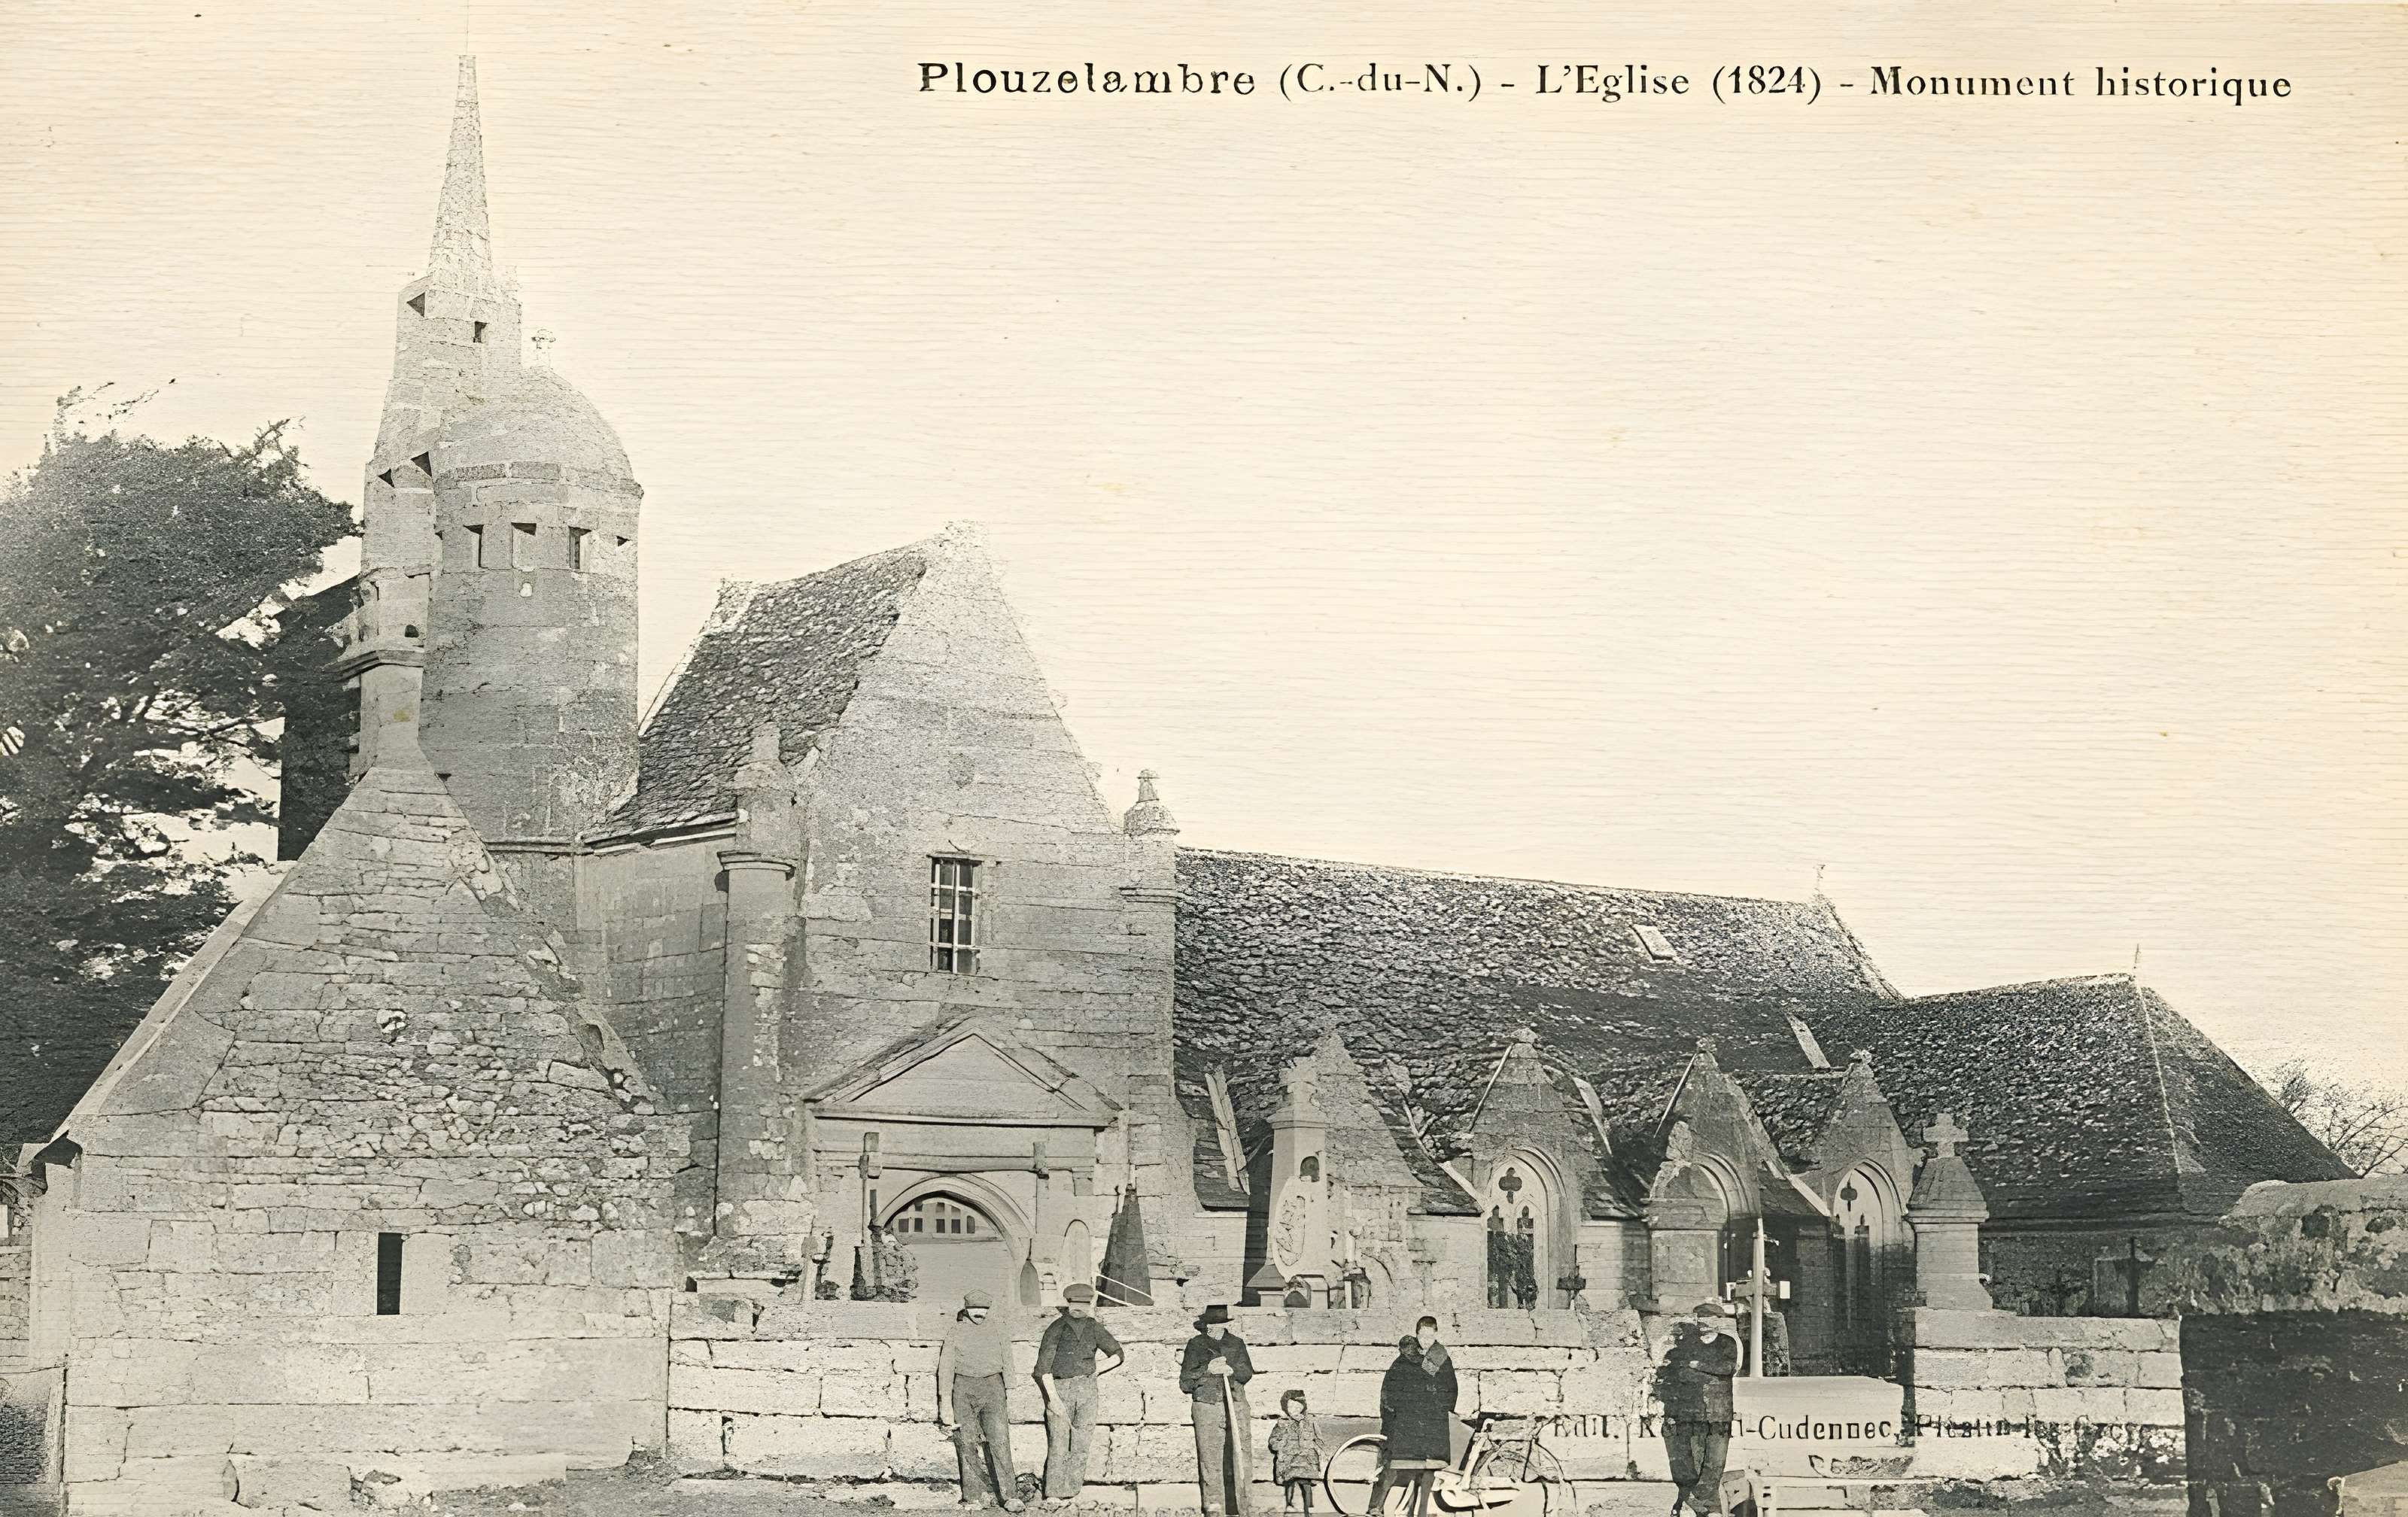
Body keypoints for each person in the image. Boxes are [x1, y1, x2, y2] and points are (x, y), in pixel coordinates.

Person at [1035, 1282, 1125, 1506]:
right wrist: (1053, 1399)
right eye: (1074, 1304)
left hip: (1087, 1389)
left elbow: (1118, 1354)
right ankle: (1054, 1493)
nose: (1078, 1308)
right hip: (1059, 1388)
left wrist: (1095, 1370)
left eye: (1083, 1304)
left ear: (1089, 1304)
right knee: (1058, 1441)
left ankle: (1073, 1491)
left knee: (1082, 1441)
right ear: (1068, 1304)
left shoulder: (1094, 1327)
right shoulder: (1056, 1328)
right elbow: (1043, 1369)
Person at [938, 1290, 1026, 1512]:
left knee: (1000, 1440)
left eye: (984, 1309)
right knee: (966, 1442)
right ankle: (973, 1497)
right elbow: (946, 1369)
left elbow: (1008, 1359)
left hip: (993, 1387)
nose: (980, 1313)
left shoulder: (998, 1329)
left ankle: (1010, 1496)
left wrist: (1011, 1391)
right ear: (967, 1309)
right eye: (975, 1309)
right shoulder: (955, 1331)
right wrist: (944, 1406)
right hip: (964, 1389)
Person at [1653, 1299, 1742, 1516]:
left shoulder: (1726, 1343)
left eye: (1707, 1319)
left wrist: (1699, 1367)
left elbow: (1728, 1368)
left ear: (1718, 1321)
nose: (1701, 1322)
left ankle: (1695, 1504)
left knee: (1716, 1462)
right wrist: (1708, 1375)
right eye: (1699, 1319)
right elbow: (1682, 1373)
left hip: (1719, 1413)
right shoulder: (1690, 1345)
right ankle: (1706, 1509)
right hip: (1693, 1413)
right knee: (1695, 1462)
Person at [1373, 1318, 1458, 1517]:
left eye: (1430, 1335)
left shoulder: (1441, 1357)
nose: (1426, 1340)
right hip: (1407, 1422)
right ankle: (1376, 1507)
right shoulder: (1406, 1356)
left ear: (1436, 1334)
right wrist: (1391, 1411)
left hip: (1431, 1423)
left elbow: (1451, 1389)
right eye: (1422, 1336)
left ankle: (1421, 1510)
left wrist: (1439, 1405)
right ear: (1417, 1335)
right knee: (1396, 1463)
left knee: (1428, 1469)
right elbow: (1391, 1385)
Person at [1180, 1303, 1257, 1515]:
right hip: (1207, 1406)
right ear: (1204, 1326)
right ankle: (1214, 1506)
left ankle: (1244, 1507)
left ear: (1225, 1325)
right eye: (1210, 1326)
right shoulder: (1195, 1345)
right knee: (1210, 1458)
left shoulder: (1237, 1344)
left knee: (1241, 1455)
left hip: (1237, 1404)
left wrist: (1231, 1369)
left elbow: (1247, 1372)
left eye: (1218, 1325)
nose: (1213, 1329)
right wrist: (1208, 1370)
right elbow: (1185, 1383)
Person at [1267, 1389, 1327, 1513]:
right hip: (1289, 1462)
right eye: (1290, 1406)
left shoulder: (1311, 1422)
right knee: (1290, 1483)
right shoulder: (1282, 1424)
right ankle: (1289, 1505)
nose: (1293, 1408)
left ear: (1303, 1406)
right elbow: (1273, 1442)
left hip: (1307, 1462)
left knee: (1306, 1485)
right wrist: (1282, 1446)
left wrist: (1322, 1453)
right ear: (1285, 1408)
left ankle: (1307, 1510)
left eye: (1297, 1405)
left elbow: (1319, 1440)